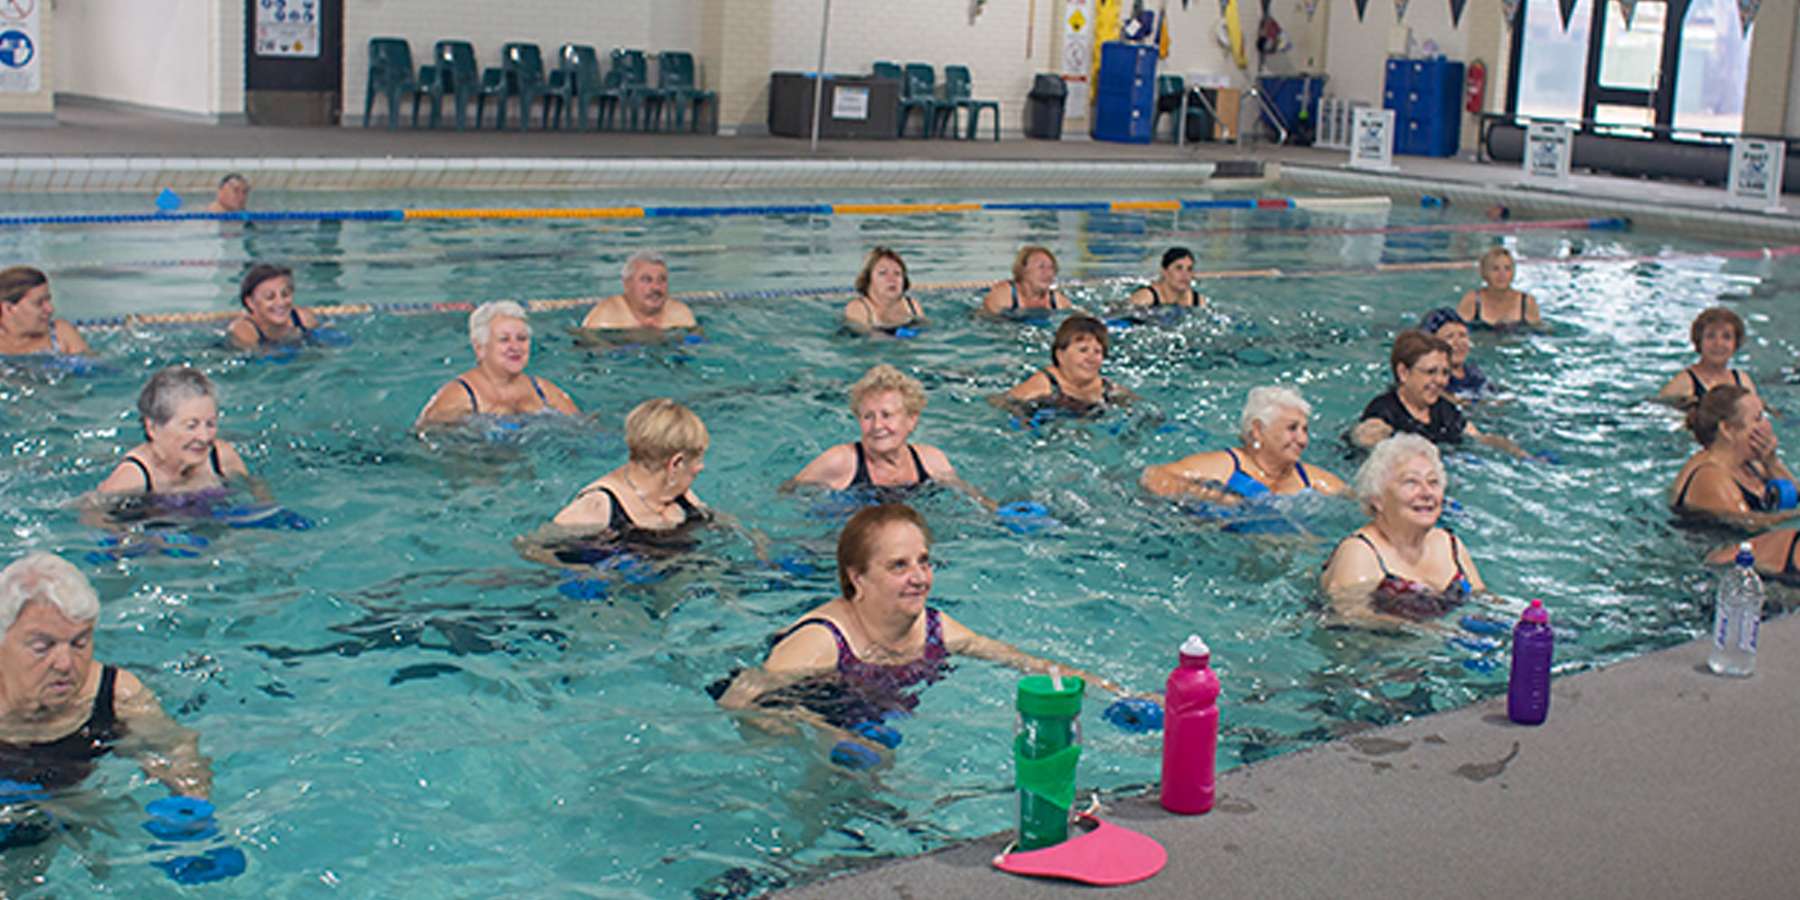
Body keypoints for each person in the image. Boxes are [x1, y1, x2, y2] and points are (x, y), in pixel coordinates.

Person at [715, 504, 1135, 757]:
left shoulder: (934, 628)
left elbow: (1026, 662)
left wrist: (1118, 694)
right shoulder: (821, 641)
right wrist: (827, 737)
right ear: (857, 578)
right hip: (823, 711)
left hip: (871, 723)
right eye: (899, 565)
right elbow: (740, 700)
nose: (919, 577)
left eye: (923, 561)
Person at [0, 553, 213, 800]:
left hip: (71, 806)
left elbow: (177, 749)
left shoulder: (117, 696)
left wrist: (191, 801)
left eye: (79, 643)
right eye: (42, 647)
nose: (65, 664)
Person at [1320, 435, 1487, 627]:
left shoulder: (1449, 544)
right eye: (1411, 482)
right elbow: (1350, 617)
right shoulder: (1360, 552)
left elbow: (1482, 600)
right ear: (1377, 499)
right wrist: (1430, 632)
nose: (1426, 493)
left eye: (1433, 482)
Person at [784, 365, 981, 502]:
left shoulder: (931, 461)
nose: (877, 425)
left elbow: (971, 498)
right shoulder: (841, 461)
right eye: (868, 417)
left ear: (911, 419)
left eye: (887, 415)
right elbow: (786, 494)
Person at [1141, 386, 1345, 503]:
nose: (1302, 440)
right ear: (1258, 430)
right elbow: (1154, 476)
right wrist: (1214, 496)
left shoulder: (1313, 481)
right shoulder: (1226, 466)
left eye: (1305, 430)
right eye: (1292, 428)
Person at [549, 398, 712, 539]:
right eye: (698, 460)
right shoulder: (598, 507)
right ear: (676, 463)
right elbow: (537, 552)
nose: (700, 468)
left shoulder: (680, 495)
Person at [1350, 330, 1524, 456]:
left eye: (1445, 373)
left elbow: (1479, 437)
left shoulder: (1444, 409)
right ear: (1404, 372)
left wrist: (1516, 451)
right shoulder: (1384, 411)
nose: (1441, 381)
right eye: (1431, 372)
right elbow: (1365, 437)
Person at [415, 301, 580, 427]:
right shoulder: (458, 397)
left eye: (522, 339)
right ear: (480, 348)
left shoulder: (544, 391)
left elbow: (585, 430)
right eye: (504, 339)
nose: (515, 347)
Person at [97, 367, 250, 496]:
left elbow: (257, 493)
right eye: (191, 426)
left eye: (210, 424)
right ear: (153, 428)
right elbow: (94, 517)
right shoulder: (133, 477)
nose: (204, 437)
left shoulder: (221, 458)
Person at [1669, 385, 1798, 530]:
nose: (1767, 425)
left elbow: (1796, 492)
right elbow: (1749, 525)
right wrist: (1794, 516)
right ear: (1727, 429)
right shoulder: (1710, 476)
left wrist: (1772, 463)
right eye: (1758, 419)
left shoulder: (1752, 465)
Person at [1000, 315, 1133, 416]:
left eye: (1097, 351)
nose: (1091, 358)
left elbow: (1139, 406)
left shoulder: (1106, 389)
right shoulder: (1045, 385)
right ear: (1060, 356)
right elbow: (1001, 403)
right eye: (1083, 350)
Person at [1658, 307, 1756, 407]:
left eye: (1726, 337)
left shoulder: (1742, 380)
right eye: (1710, 336)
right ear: (1699, 341)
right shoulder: (1684, 383)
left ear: (1735, 343)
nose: (1718, 343)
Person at [580, 251, 698, 330]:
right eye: (646, 280)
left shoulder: (681, 315)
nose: (656, 287)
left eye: (662, 280)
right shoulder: (605, 318)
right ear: (627, 284)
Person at [226, 263, 323, 351]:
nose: (280, 303)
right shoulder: (244, 330)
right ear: (250, 303)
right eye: (269, 297)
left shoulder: (302, 319)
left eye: (285, 294)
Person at [0, 267, 90, 357]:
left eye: (48, 300)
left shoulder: (60, 334)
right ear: (8, 308)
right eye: (39, 303)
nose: (50, 309)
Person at [843, 247, 924, 335]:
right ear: (868, 279)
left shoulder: (911, 306)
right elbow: (872, 338)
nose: (892, 279)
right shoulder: (859, 308)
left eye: (897, 273)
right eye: (883, 273)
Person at [1455, 247, 1540, 329]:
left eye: (1507, 269)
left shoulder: (1527, 302)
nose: (1502, 274)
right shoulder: (1472, 301)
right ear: (1484, 272)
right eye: (1495, 269)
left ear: (1513, 273)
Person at [981, 245, 1071, 315]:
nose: (1048, 273)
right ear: (1023, 271)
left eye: (1051, 268)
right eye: (1041, 267)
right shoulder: (1002, 296)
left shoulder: (1058, 302)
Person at [1419, 307, 1486, 401]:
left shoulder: (1475, 374)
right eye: (1449, 337)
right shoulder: (1429, 381)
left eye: (1462, 335)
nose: (1458, 342)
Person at [1127, 247, 1207, 308]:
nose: (1185, 274)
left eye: (1189, 269)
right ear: (1164, 271)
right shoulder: (1146, 298)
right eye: (1178, 268)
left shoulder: (1198, 301)